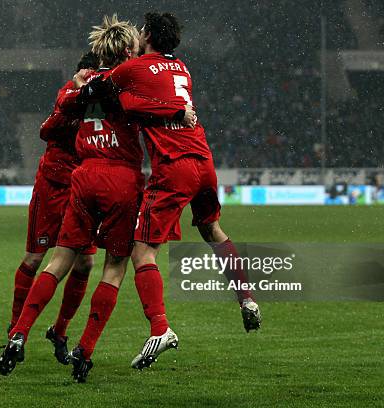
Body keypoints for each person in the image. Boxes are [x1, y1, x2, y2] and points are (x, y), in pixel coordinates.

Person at [0, 15, 193, 382]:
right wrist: (178, 111)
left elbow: (62, 110)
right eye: (134, 49)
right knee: (115, 268)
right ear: (125, 51)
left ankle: (18, 334)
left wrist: (75, 90)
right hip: (119, 178)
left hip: (83, 177)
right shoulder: (124, 85)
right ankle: (84, 353)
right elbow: (142, 109)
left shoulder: (83, 84)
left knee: (60, 262)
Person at [85, 12, 262, 370]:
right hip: (203, 160)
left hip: (174, 167)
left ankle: (160, 328)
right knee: (212, 230)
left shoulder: (132, 69)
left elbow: (114, 97)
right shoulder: (183, 70)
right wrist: (175, 110)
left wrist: (88, 81)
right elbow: (159, 103)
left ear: (146, 35)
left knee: (141, 250)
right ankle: (247, 298)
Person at [4, 51, 100, 365]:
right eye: (85, 72)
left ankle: (59, 331)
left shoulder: (104, 97)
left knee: (85, 264)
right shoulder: (68, 94)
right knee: (35, 257)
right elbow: (46, 130)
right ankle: (16, 331)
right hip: (53, 185)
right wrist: (74, 91)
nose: (90, 76)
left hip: (82, 189)